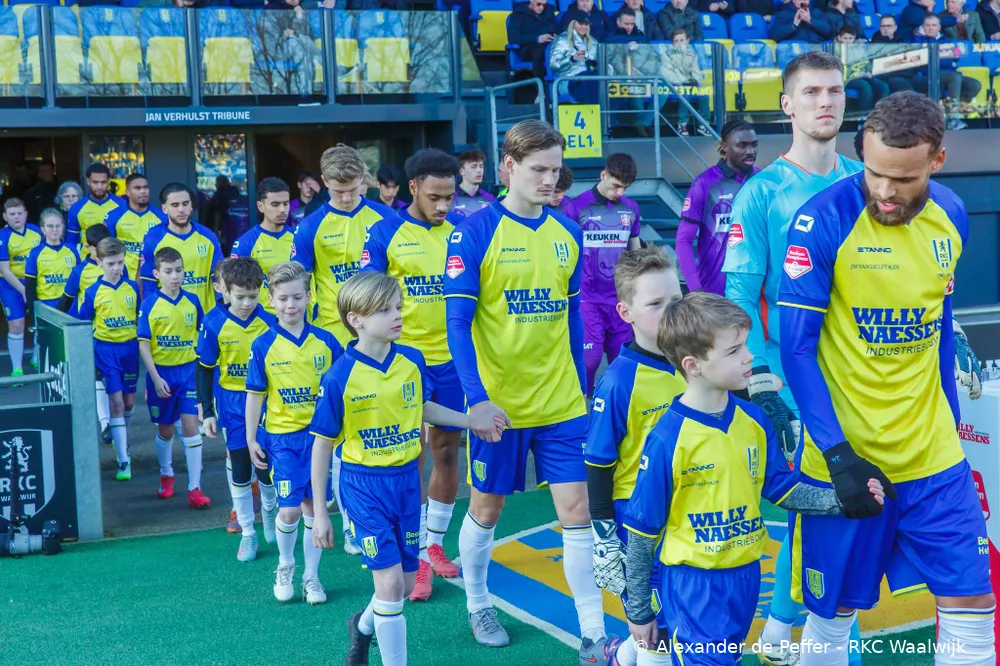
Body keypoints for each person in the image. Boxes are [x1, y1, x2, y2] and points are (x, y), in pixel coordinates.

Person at [780, 91, 995, 665]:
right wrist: (838, 456)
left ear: (937, 161)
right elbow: (796, 350)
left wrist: (950, 424)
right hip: (848, 461)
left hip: (935, 459)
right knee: (832, 619)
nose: (883, 190)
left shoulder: (952, 214)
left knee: (974, 608)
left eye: (901, 178)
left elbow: (939, 323)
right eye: (873, 172)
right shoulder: (822, 220)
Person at [621, 292, 885, 665]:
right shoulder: (667, 439)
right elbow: (641, 533)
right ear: (693, 365)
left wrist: (840, 499)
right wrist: (638, 609)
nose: (749, 357)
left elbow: (781, 487)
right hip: (694, 584)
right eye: (734, 351)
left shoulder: (755, 421)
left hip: (746, 576)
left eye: (746, 345)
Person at [444, 119, 609, 660]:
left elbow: (573, 316)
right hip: (501, 408)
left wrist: (582, 384)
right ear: (508, 166)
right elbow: (457, 324)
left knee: (578, 511)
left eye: (556, 170)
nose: (550, 180)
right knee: (487, 509)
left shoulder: (568, 232)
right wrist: (476, 400)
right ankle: (477, 603)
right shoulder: (473, 232)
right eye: (539, 170)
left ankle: (593, 631)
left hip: (561, 403)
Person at [721, 50, 863, 666]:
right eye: (811, 92)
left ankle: (780, 633)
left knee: (850, 504)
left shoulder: (867, 181)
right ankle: (819, 641)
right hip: (796, 378)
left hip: (866, 373)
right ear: (787, 105)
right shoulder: (761, 193)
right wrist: (761, 379)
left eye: (834, 91)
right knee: (831, 501)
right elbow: (739, 296)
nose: (825, 102)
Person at [309, 271, 504, 666]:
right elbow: (322, 444)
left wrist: (472, 420)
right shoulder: (339, 376)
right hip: (363, 486)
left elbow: (422, 407)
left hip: (407, 484)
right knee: (391, 582)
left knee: (398, 586)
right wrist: (320, 513)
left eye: (397, 306)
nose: (397, 315)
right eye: (384, 310)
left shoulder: (412, 360)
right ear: (356, 319)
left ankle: (361, 627)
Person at [362, 148, 467, 601]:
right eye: (434, 196)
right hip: (402, 363)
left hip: (453, 361)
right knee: (409, 456)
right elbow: (366, 297)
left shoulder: (463, 230)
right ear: (413, 188)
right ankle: (414, 554)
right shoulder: (385, 232)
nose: (443, 205)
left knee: (446, 451)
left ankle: (433, 547)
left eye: (449, 196)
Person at [585, 247, 685, 666]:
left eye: (676, 299)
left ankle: (615, 655)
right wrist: (604, 537)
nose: (671, 311)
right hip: (639, 520)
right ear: (625, 313)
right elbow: (597, 463)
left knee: (683, 620)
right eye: (656, 304)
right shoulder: (619, 381)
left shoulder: (695, 361)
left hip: (690, 508)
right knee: (654, 632)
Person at [245, 261, 344, 604]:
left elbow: (343, 388)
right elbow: (255, 394)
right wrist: (250, 438)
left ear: (309, 296)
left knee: (315, 510)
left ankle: (311, 577)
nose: (291, 305)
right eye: (283, 298)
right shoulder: (263, 345)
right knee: (288, 511)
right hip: (283, 440)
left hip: (320, 440)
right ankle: (285, 564)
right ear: (271, 300)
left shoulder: (327, 342)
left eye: (297, 297)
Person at [197, 257, 279, 561]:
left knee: (266, 465)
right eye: (240, 296)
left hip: (267, 402)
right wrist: (207, 411)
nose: (246, 303)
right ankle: (247, 532)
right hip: (232, 403)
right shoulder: (213, 323)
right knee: (241, 465)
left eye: (253, 296)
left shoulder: (270, 321)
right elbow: (205, 368)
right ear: (225, 291)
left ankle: (269, 508)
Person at [294, 143, 395, 344]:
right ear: (324, 181)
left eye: (352, 189)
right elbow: (297, 282)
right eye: (339, 191)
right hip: (331, 332)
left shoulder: (387, 217)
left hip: (380, 327)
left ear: (362, 178)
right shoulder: (310, 226)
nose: (347, 198)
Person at [563, 152, 642, 397]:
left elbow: (635, 251)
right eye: (615, 185)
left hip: (619, 299)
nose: (619, 192)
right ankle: (582, 404)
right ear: (603, 175)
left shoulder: (631, 209)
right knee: (590, 359)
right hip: (587, 298)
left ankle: (610, 404)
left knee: (622, 362)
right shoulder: (576, 207)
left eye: (625, 188)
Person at [137, 247, 210, 509]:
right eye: (168, 271)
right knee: (166, 430)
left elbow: (203, 336)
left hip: (188, 373)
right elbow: (144, 345)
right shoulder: (149, 304)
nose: (175, 276)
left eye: (179, 270)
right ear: (157, 274)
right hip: (162, 375)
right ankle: (166, 473)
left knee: (191, 427)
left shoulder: (192, 301)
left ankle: (195, 488)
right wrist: (155, 378)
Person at [78, 238, 140, 481]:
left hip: (130, 350)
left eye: (120, 263)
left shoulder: (133, 288)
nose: (116, 268)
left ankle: (119, 434)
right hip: (105, 351)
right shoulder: (93, 292)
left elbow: (139, 317)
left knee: (129, 403)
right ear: (99, 262)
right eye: (111, 263)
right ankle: (124, 459)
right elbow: (83, 322)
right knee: (116, 403)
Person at [676, 119, 759, 297]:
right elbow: (684, 240)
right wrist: (696, 290)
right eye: (742, 145)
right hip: (715, 293)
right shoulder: (704, 184)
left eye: (754, 145)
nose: (750, 151)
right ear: (725, 147)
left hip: (757, 292)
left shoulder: (763, 180)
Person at [60, 223, 115, 442]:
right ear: (87, 247)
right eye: (97, 247)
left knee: (117, 382)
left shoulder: (117, 267)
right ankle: (105, 423)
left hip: (118, 334)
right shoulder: (79, 271)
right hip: (93, 333)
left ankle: (118, 422)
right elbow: (66, 301)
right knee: (98, 376)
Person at [140, 183, 223, 315]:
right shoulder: (153, 238)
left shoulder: (208, 237)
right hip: (168, 318)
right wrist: (153, 313)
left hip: (205, 317)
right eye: (175, 205)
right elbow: (148, 281)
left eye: (185, 204)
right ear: (164, 208)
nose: (181, 209)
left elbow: (218, 277)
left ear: (191, 206)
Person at [230, 178, 295, 315]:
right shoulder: (246, 243)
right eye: (275, 204)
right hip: (261, 320)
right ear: (260, 206)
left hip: (295, 316)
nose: (282, 210)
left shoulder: (298, 238)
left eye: (286, 203)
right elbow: (236, 287)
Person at [0, 198, 40, 378]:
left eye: (19, 213)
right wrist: (24, 291)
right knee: (17, 324)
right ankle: (17, 369)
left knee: (40, 321)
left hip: (34, 282)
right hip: (9, 284)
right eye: (12, 214)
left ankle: (37, 358)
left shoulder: (36, 231)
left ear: (26, 214)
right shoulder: (2, 237)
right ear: (5, 216)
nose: (16, 217)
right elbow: (4, 270)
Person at [105, 173, 168, 285]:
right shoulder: (114, 216)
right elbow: (107, 248)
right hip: (123, 277)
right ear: (127, 192)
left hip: (152, 277)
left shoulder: (162, 217)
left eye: (145, 187)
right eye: (137, 188)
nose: (143, 191)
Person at [24, 208, 78, 330]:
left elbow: (79, 279)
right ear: (43, 229)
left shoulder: (72, 250)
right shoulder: (35, 253)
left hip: (70, 304)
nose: (54, 229)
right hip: (46, 304)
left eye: (58, 226)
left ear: (63, 227)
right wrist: (33, 312)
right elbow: (30, 287)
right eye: (50, 226)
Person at [661, 29, 711, 137]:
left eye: (682, 40)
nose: (679, 43)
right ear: (672, 42)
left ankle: (704, 124)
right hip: (675, 84)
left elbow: (696, 70)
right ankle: (682, 124)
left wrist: (696, 80)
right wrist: (683, 81)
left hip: (689, 83)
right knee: (685, 93)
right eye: (676, 41)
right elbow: (668, 73)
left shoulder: (692, 54)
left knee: (704, 93)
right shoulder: (667, 54)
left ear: (687, 40)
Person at [67, 163, 125, 247]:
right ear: (88, 181)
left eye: (103, 182)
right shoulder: (77, 207)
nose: (99, 186)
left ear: (108, 181)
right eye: (95, 182)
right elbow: (71, 241)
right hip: (87, 254)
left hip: (114, 254)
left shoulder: (122, 205)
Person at [549, 11, 599, 104]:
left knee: (607, 86)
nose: (584, 27)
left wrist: (599, 66)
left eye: (586, 24)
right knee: (590, 85)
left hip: (591, 80)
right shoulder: (562, 40)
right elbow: (553, 65)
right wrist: (571, 59)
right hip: (568, 81)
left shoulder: (594, 42)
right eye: (580, 24)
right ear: (573, 23)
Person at [507, 0, 560, 81]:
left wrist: (555, 35)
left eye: (544, 5)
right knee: (538, 52)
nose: (541, 7)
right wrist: (536, 38)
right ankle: (541, 86)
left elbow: (558, 31)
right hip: (528, 48)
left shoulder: (549, 13)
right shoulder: (518, 14)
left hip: (549, 45)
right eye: (538, 4)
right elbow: (513, 38)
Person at [453, 149, 496, 218]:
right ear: (462, 171)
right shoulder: (451, 198)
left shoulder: (489, 198)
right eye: (474, 167)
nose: (479, 170)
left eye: (481, 166)